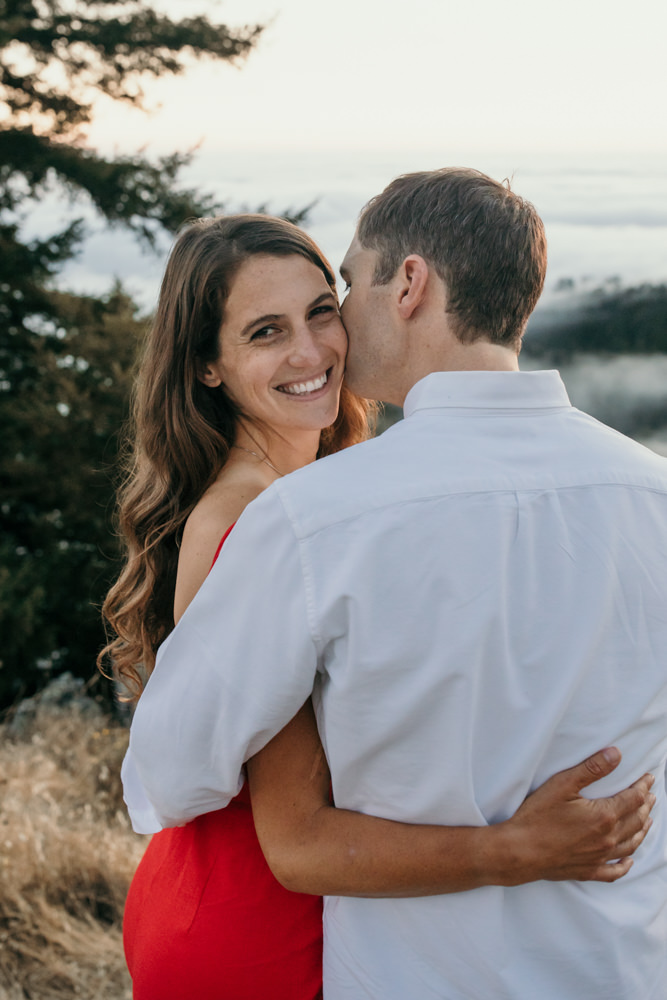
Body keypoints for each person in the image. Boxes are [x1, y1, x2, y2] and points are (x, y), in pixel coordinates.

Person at [112, 204, 662, 1000]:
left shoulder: (325, 509)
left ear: (408, 285)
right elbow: (180, 783)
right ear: (208, 365)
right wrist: (514, 844)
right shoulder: (266, 519)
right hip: (260, 913)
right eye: (265, 332)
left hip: (344, 914)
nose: (313, 349)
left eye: (326, 305)